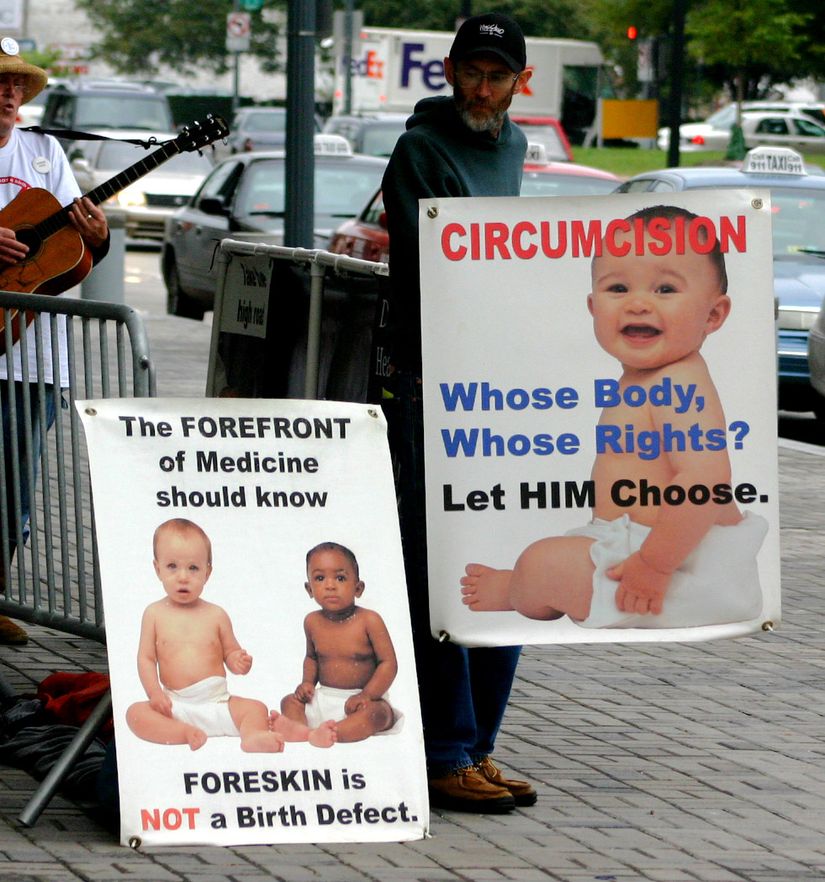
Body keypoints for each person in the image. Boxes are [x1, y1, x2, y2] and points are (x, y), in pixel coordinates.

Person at [461, 205, 768, 628]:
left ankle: (520, 589)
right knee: (555, 559)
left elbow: (706, 482)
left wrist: (654, 565)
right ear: (593, 306)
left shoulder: (679, 382)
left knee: (542, 564)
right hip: (644, 546)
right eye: (618, 288)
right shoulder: (646, 379)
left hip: (684, 564)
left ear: (712, 315)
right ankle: (532, 584)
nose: (638, 304)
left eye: (664, 290)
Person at [380, 12, 537, 812]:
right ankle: (442, 747)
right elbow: (429, 271)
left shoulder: (512, 148)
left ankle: (477, 746)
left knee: (505, 562)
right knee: (441, 564)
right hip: (432, 383)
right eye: (470, 72)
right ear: (447, 71)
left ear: (521, 82)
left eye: (496, 74)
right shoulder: (420, 149)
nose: (482, 87)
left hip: (500, 386)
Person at [0, 38, 109, 645]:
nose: (9, 94)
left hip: (35, 356)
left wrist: (102, 237)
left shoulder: (44, 152)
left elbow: (72, 251)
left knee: (14, 485)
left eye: (16, 84)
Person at [126, 518, 337, 752]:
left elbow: (230, 652)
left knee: (256, 708)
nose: (183, 576)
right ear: (158, 569)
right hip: (176, 705)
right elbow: (146, 658)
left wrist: (238, 661)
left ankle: (253, 736)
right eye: (172, 566)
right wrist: (154, 693)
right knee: (135, 714)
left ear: (207, 572)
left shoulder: (216, 615)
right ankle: (183, 733)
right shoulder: (154, 614)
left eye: (193, 568)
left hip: (218, 703)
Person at [279, 541, 400, 743]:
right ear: (309, 589)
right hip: (323, 697)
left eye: (340, 578)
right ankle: (303, 731)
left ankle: (335, 733)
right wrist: (307, 683)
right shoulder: (312, 621)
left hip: (362, 700)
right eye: (319, 578)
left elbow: (389, 664)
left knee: (379, 714)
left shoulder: (369, 620)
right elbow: (311, 657)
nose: (330, 585)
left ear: (358, 588)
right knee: (289, 702)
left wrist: (367, 695)